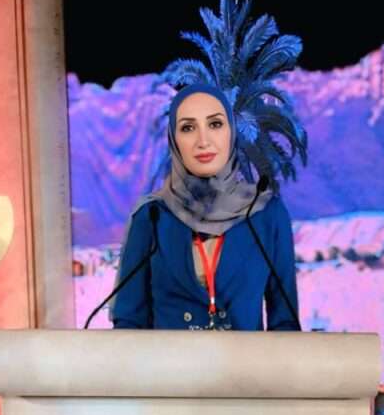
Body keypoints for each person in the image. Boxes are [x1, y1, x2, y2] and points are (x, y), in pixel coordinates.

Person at [111, 83, 300, 332]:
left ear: (231, 132)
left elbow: (285, 325)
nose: (203, 141)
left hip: (243, 359)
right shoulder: (152, 216)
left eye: (215, 124)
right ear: (174, 140)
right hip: (169, 359)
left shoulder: (266, 214)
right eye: (188, 128)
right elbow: (128, 324)